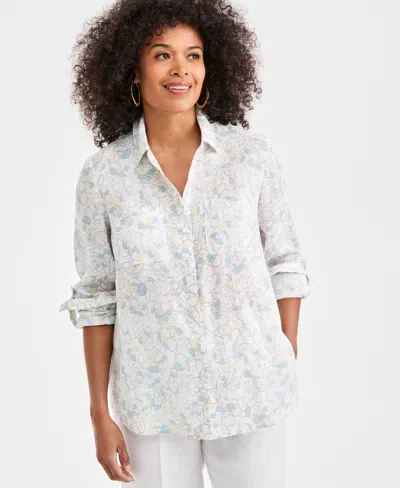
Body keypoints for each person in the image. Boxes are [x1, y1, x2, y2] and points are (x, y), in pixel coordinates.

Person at [59, 0, 312, 486]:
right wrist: (99, 413)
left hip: (251, 392)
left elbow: (285, 263)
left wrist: (283, 352)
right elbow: (97, 298)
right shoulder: (103, 176)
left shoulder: (251, 157)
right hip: (152, 402)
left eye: (193, 55)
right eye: (162, 55)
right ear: (132, 70)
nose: (181, 69)